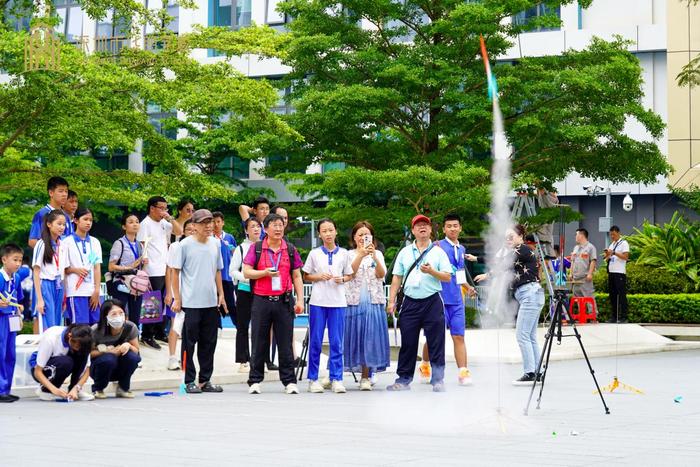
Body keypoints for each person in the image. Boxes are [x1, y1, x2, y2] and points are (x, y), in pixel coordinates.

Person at [387, 214, 452, 392]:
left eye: (425, 225)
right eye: (418, 226)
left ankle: (438, 379)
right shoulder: (405, 252)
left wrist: (432, 272)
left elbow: (447, 276)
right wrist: (391, 301)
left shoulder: (438, 252)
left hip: (432, 301)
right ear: (413, 230)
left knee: (436, 341)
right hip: (410, 302)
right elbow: (397, 278)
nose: (422, 228)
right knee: (408, 342)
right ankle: (403, 379)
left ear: (431, 230)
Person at [476, 224, 546, 386]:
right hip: (532, 295)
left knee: (522, 335)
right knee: (530, 336)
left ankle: (530, 373)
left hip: (529, 295)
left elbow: (503, 264)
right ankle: (537, 371)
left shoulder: (522, 249)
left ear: (521, 236)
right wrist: (477, 259)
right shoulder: (520, 251)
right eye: (506, 237)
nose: (508, 240)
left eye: (511, 236)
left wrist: (487, 274)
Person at [243, 213, 304, 395]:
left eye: (281, 225)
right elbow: (246, 272)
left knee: (285, 342)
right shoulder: (257, 248)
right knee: (259, 341)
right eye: (274, 225)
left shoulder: (290, 249)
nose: (278, 228)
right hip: (261, 300)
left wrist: (300, 299)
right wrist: (264, 273)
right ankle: (254, 380)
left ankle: (289, 382)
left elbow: (297, 276)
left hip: (284, 301)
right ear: (266, 228)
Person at [171, 209, 227, 393]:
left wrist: (221, 294)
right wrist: (177, 298)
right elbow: (175, 272)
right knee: (189, 343)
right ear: (193, 226)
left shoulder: (215, 244)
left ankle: (205, 380)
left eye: (210, 222)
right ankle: (189, 380)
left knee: (209, 343)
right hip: (190, 303)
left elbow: (218, 270)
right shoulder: (184, 245)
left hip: (210, 302)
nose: (208, 226)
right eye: (204, 222)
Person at [420, 214, 475, 386]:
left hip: (457, 299)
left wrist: (467, 286)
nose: (452, 228)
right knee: (434, 337)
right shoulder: (436, 247)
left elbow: (458, 272)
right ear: (443, 229)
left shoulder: (462, 248)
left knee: (458, 336)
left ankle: (463, 372)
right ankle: (425, 365)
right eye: (449, 226)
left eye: (455, 225)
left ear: (460, 228)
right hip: (439, 298)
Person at [302, 218, 353, 394]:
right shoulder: (314, 254)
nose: (328, 234)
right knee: (315, 341)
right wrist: (319, 276)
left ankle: (336, 378)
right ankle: (313, 378)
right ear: (319, 234)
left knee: (337, 342)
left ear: (336, 231)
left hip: (338, 302)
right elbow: (306, 276)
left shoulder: (344, 253)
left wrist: (342, 279)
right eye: (324, 231)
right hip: (318, 302)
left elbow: (349, 275)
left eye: (331, 230)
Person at [344, 221, 389, 391]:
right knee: (356, 337)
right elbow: (350, 272)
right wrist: (360, 255)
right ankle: (343, 374)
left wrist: (374, 257)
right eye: (360, 234)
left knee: (370, 338)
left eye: (367, 234)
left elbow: (381, 274)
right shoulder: (348, 255)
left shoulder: (377, 253)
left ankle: (366, 376)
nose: (363, 237)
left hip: (373, 302)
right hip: (354, 303)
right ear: (354, 237)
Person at [137, 196, 183, 349]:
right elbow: (142, 245)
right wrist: (145, 261)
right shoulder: (145, 224)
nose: (164, 211)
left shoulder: (164, 222)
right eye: (161, 208)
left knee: (164, 301)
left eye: (165, 208)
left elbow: (179, 230)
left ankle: (159, 331)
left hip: (165, 267)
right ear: (152, 208)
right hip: (152, 269)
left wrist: (170, 218)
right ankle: (147, 335)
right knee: (152, 301)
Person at [229, 217, 262, 373]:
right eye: (252, 226)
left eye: (258, 226)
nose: (256, 229)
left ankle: (260, 360)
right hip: (245, 290)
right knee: (243, 325)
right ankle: (243, 360)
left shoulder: (265, 247)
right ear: (246, 230)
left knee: (261, 326)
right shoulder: (241, 248)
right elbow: (232, 270)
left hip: (262, 291)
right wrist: (246, 277)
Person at [90, 300, 141, 399]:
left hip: (120, 366)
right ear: (105, 317)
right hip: (100, 367)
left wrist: (128, 346)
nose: (118, 316)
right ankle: (98, 388)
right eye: (113, 314)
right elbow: (88, 354)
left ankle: (123, 388)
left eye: (121, 313)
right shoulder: (96, 330)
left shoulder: (130, 327)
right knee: (109, 358)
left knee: (132, 357)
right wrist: (107, 351)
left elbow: (136, 351)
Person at [30, 323, 95, 401]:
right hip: (41, 369)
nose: (78, 350)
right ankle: (45, 390)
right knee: (66, 362)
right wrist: (54, 390)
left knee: (82, 355)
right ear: (69, 336)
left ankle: (73, 390)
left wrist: (77, 388)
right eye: (77, 347)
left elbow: (87, 371)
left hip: (61, 363)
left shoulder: (84, 343)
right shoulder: (51, 338)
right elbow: (37, 372)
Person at [164, 219, 195, 370]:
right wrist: (170, 293)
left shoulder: (199, 246)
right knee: (175, 325)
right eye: (188, 229)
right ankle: (172, 357)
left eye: (193, 229)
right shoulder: (176, 246)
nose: (191, 232)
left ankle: (188, 358)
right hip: (177, 292)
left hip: (193, 295)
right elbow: (170, 270)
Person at [107, 213, 147, 327]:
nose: (135, 224)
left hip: (136, 284)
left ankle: (134, 341)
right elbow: (111, 267)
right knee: (120, 314)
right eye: (131, 222)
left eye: (137, 222)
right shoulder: (119, 243)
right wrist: (130, 267)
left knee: (136, 315)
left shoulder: (140, 245)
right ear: (124, 226)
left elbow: (140, 268)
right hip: (121, 283)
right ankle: (118, 339)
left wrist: (143, 264)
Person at [64, 208, 102, 325]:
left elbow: (96, 267)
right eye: (85, 219)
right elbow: (64, 269)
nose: (88, 223)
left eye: (90, 220)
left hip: (93, 292)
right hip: (76, 292)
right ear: (76, 220)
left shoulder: (95, 242)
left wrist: (96, 290)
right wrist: (75, 270)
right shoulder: (67, 242)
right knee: (80, 327)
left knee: (96, 324)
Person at [32, 210, 67, 331]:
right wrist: (39, 299)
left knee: (57, 323)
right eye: (59, 223)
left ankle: (55, 349)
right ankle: (47, 349)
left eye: (64, 224)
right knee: (49, 323)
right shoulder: (41, 244)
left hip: (59, 285)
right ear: (49, 224)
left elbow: (63, 272)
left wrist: (65, 296)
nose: (62, 227)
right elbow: (36, 272)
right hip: (46, 284)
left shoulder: (62, 245)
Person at [0, 244, 25, 402]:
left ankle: (6, 388)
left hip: (12, 318)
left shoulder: (16, 278)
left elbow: (18, 297)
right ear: (4, 259)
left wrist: (19, 308)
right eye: (14, 260)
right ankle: (0, 389)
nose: (18, 264)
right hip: (1, 319)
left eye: (20, 260)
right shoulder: (0, 277)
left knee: (10, 354)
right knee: (0, 354)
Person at [28, 176, 72, 248]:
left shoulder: (66, 216)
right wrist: (50, 253)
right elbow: (32, 241)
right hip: (48, 257)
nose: (64, 194)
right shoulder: (41, 214)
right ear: (51, 193)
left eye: (66, 191)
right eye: (60, 191)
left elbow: (70, 239)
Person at [212, 212, 237, 328]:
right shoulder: (208, 238)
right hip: (212, 278)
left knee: (231, 304)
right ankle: (215, 328)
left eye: (218, 222)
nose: (216, 224)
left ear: (223, 223)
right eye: (213, 222)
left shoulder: (229, 237)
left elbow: (235, 254)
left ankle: (240, 327)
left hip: (227, 277)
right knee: (213, 305)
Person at [604, 225, 630, 323]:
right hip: (611, 272)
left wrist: (614, 252)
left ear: (618, 233)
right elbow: (607, 258)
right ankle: (614, 317)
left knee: (622, 295)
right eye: (611, 235)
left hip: (619, 273)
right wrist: (607, 254)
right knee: (613, 295)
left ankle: (624, 317)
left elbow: (626, 257)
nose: (612, 237)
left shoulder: (624, 243)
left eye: (614, 234)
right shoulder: (612, 244)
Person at [570, 228, 597, 311]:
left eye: (576, 234)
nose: (575, 236)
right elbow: (572, 261)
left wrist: (590, 273)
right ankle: (582, 316)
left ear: (581, 235)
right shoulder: (576, 248)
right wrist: (570, 273)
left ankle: (593, 316)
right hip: (575, 278)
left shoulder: (590, 247)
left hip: (585, 278)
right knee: (578, 298)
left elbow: (593, 261)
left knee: (588, 296)